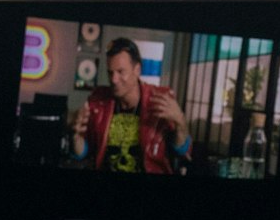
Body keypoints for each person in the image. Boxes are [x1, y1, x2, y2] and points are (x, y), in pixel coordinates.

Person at [65, 37, 191, 173]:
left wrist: (180, 122)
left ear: (137, 70)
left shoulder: (160, 99)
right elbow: (82, 153)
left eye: (121, 72)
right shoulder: (98, 100)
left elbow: (181, 151)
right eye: (110, 72)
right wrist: (75, 137)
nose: (114, 80)